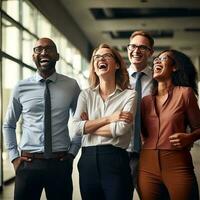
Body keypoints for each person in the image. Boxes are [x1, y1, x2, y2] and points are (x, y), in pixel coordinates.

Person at [3, 38, 81, 200]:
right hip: (28, 164)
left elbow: (81, 122)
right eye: (38, 49)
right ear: (33, 56)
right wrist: (14, 157)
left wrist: (72, 153)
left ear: (57, 56)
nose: (44, 52)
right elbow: (8, 124)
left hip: (60, 163)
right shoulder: (21, 87)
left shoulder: (71, 85)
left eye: (49, 49)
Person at [70, 43, 137, 200]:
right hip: (87, 161)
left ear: (117, 64)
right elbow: (74, 128)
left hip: (116, 160)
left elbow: (120, 129)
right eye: (97, 57)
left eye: (106, 56)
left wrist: (89, 126)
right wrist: (109, 119)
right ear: (94, 66)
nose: (101, 59)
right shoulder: (85, 95)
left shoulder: (130, 95)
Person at [138, 49, 200, 200]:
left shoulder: (185, 93)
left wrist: (189, 138)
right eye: (156, 59)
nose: (157, 61)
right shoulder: (145, 101)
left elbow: (199, 128)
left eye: (163, 58)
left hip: (177, 163)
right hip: (147, 165)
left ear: (174, 67)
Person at [126, 30, 154, 196]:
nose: (136, 51)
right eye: (133, 46)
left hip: (149, 152)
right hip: (121, 152)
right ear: (128, 48)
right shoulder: (117, 78)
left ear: (150, 52)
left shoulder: (159, 79)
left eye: (142, 47)